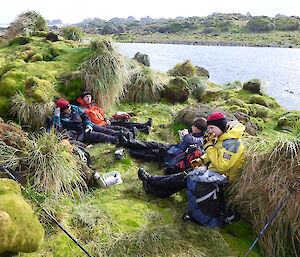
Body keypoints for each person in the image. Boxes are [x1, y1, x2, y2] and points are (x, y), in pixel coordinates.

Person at [138, 112, 245, 197]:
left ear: (220, 126)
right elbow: (215, 153)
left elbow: (222, 165)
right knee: (187, 174)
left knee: (187, 176)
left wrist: (208, 145)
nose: (210, 131)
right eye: (209, 128)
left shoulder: (233, 143)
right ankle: (157, 190)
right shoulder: (223, 136)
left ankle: (152, 180)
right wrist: (201, 160)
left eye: (212, 128)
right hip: (215, 170)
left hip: (224, 177)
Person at [119, 117, 207, 166]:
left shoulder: (203, 139)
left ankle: (128, 151)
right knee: (154, 144)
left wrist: (186, 135)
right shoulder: (195, 134)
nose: (192, 127)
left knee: (152, 152)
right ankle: (129, 143)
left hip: (174, 156)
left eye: (194, 126)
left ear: (199, 129)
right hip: (174, 148)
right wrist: (183, 136)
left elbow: (193, 141)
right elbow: (188, 140)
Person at [53, 99, 133, 144]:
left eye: (69, 107)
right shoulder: (60, 118)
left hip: (88, 125)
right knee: (100, 136)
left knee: (105, 129)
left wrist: (88, 124)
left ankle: (125, 134)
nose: (69, 109)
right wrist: (57, 116)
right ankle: (118, 140)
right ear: (62, 110)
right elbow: (58, 128)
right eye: (67, 109)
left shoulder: (74, 108)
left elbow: (85, 116)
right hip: (81, 133)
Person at [77, 91, 152, 134]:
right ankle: (141, 131)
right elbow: (85, 120)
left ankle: (143, 125)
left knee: (123, 123)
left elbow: (102, 113)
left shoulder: (94, 105)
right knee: (118, 128)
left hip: (105, 122)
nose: (88, 98)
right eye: (86, 96)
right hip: (99, 126)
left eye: (89, 96)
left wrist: (107, 119)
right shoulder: (81, 109)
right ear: (83, 98)